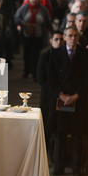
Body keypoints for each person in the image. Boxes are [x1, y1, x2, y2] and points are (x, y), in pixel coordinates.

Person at [48, 26, 88, 176]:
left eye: (75, 36)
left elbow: (87, 79)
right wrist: (61, 95)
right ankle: (59, 167)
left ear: (78, 37)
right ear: (65, 37)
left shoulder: (85, 55)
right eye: (70, 36)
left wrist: (75, 96)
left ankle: (76, 167)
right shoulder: (55, 54)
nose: (73, 38)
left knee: (77, 135)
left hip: (78, 99)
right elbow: (51, 78)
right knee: (60, 134)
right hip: (61, 98)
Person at [36, 31, 64, 161]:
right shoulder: (44, 56)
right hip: (48, 97)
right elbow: (41, 78)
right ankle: (44, 155)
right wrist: (55, 91)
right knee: (46, 126)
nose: (59, 42)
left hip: (62, 96)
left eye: (61, 40)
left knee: (59, 127)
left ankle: (57, 156)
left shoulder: (65, 55)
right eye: (56, 39)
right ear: (51, 41)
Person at [14, 0, 53, 79]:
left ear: (39, 0)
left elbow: (47, 21)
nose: (34, 0)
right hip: (26, 35)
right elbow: (16, 18)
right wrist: (24, 24)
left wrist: (52, 32)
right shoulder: (24, 8)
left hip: (38, 35)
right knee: (27, 53)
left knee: (36, 54)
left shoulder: (43, 9)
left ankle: (35, 72)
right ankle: (26, 70)